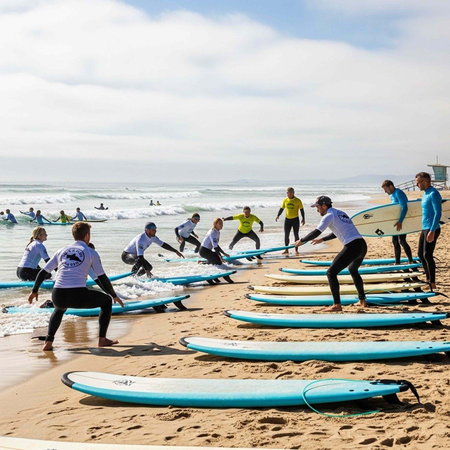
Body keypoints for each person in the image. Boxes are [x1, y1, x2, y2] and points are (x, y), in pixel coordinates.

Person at [28, 222, 124, 351]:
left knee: (59, 309)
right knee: (106, 301)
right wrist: (113, 295)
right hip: (78, 295)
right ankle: (102, 339)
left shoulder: (61, 250)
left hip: (58, 294)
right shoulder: (91, 252)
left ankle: (48, 342)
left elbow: (43, 272)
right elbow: (102, 277)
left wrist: (34, 291)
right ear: (87, 236)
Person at [295, 196, 367, 312]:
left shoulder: (328, 216)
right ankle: (362, 301)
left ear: (324, 206)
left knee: (331, 272)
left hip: (353, 246)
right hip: (362, 245)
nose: (317, 210)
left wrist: (302, 241)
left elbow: (316, 232)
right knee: (353, 270)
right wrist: (322, 240)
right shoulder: (340, 213)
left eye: (318, 207)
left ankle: (337, 305)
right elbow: (337, 232)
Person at [415, 172, 442, 291]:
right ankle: (428, 279)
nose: (417, 185)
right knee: (421, 254)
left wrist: (432, 230)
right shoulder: (425, 194)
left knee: (427, 255)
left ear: (425, 181)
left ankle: (432, 282)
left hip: (432, 228)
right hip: (425, 227)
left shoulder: (434, 193)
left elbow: (438, 213)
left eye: (418, 182)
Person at [381, 180, 414, 264]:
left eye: (386, 189)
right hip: (395, 222)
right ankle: (397, 262)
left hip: (402, 221)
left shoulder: (399, 193)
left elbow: (405, 207)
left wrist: (400, 221)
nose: (385, 191)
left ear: (391, 186)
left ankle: (410, 260)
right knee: (395, 241)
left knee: (402, 241)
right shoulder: (392, 195)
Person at [276, 187, 305, 255]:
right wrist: (278, 215)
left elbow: (302, 210)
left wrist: (303, 218)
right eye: (288, 193)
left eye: (290, 193)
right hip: (287, 220)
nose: (289, 194)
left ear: (293, 193)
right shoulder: (285, 200)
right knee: (286, 235)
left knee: (296, 235)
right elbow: (282, 208)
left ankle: (296, 250)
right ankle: (286, 250)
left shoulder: (298, 200)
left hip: (295, 220)